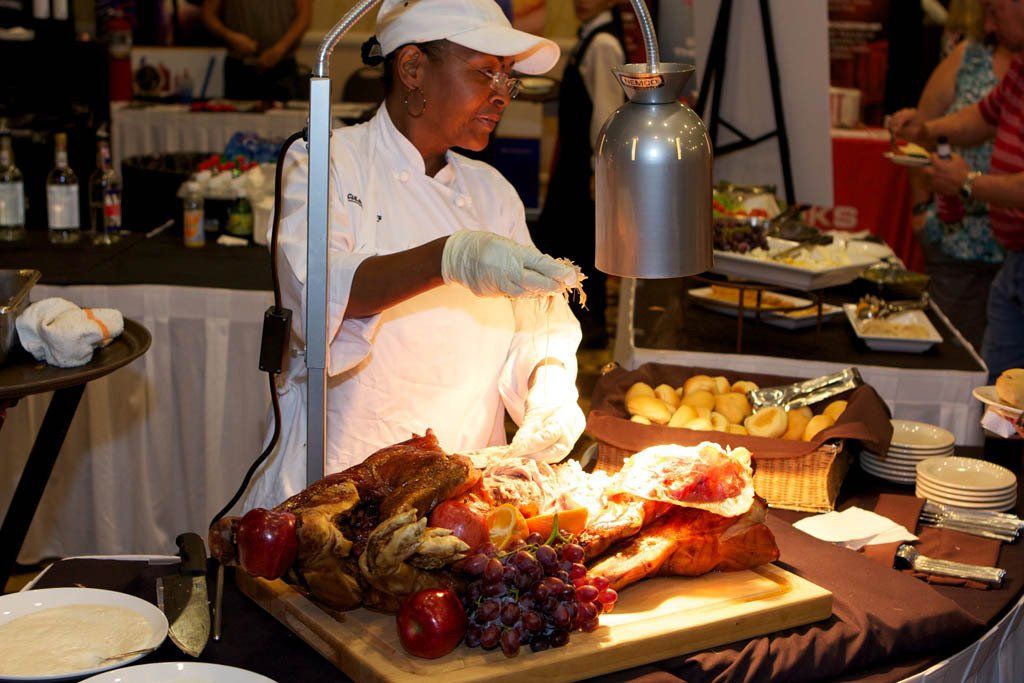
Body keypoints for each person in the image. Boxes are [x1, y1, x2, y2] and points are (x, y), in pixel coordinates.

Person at [242, 0, 586, 510]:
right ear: (413, 69)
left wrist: (549, 380)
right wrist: (448, 257)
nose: (501, 96)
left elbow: (537, 316)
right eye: (485, 73)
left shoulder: (492, 193)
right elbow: (319, 293)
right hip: (337, 483)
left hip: (461, 488)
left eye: (508, 79)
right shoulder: (326, 162)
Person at [889, 0, 1024, 382]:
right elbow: (984, 116)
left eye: (995, 12)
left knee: (999, 396)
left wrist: (969, 182)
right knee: (993, 396)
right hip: (1014, 261)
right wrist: (928, 130)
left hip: (1010, 259)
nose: (990, 27)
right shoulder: (1019, 67)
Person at [533, 0, 625, 349]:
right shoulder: (590, 39)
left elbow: (605, 115)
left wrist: (598, 171)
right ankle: (566, 322)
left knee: (579, 246)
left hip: (583, 167)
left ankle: (587, 325)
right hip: (573, 163)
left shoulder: (603, 44)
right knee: (567, 242)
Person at [201, 0, 311, 101]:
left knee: (284, 120)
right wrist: (230, 37)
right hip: (240, 65)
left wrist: (280, 48)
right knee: (237, 120)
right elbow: (208, 14)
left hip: (282, 66)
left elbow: (304, 17)